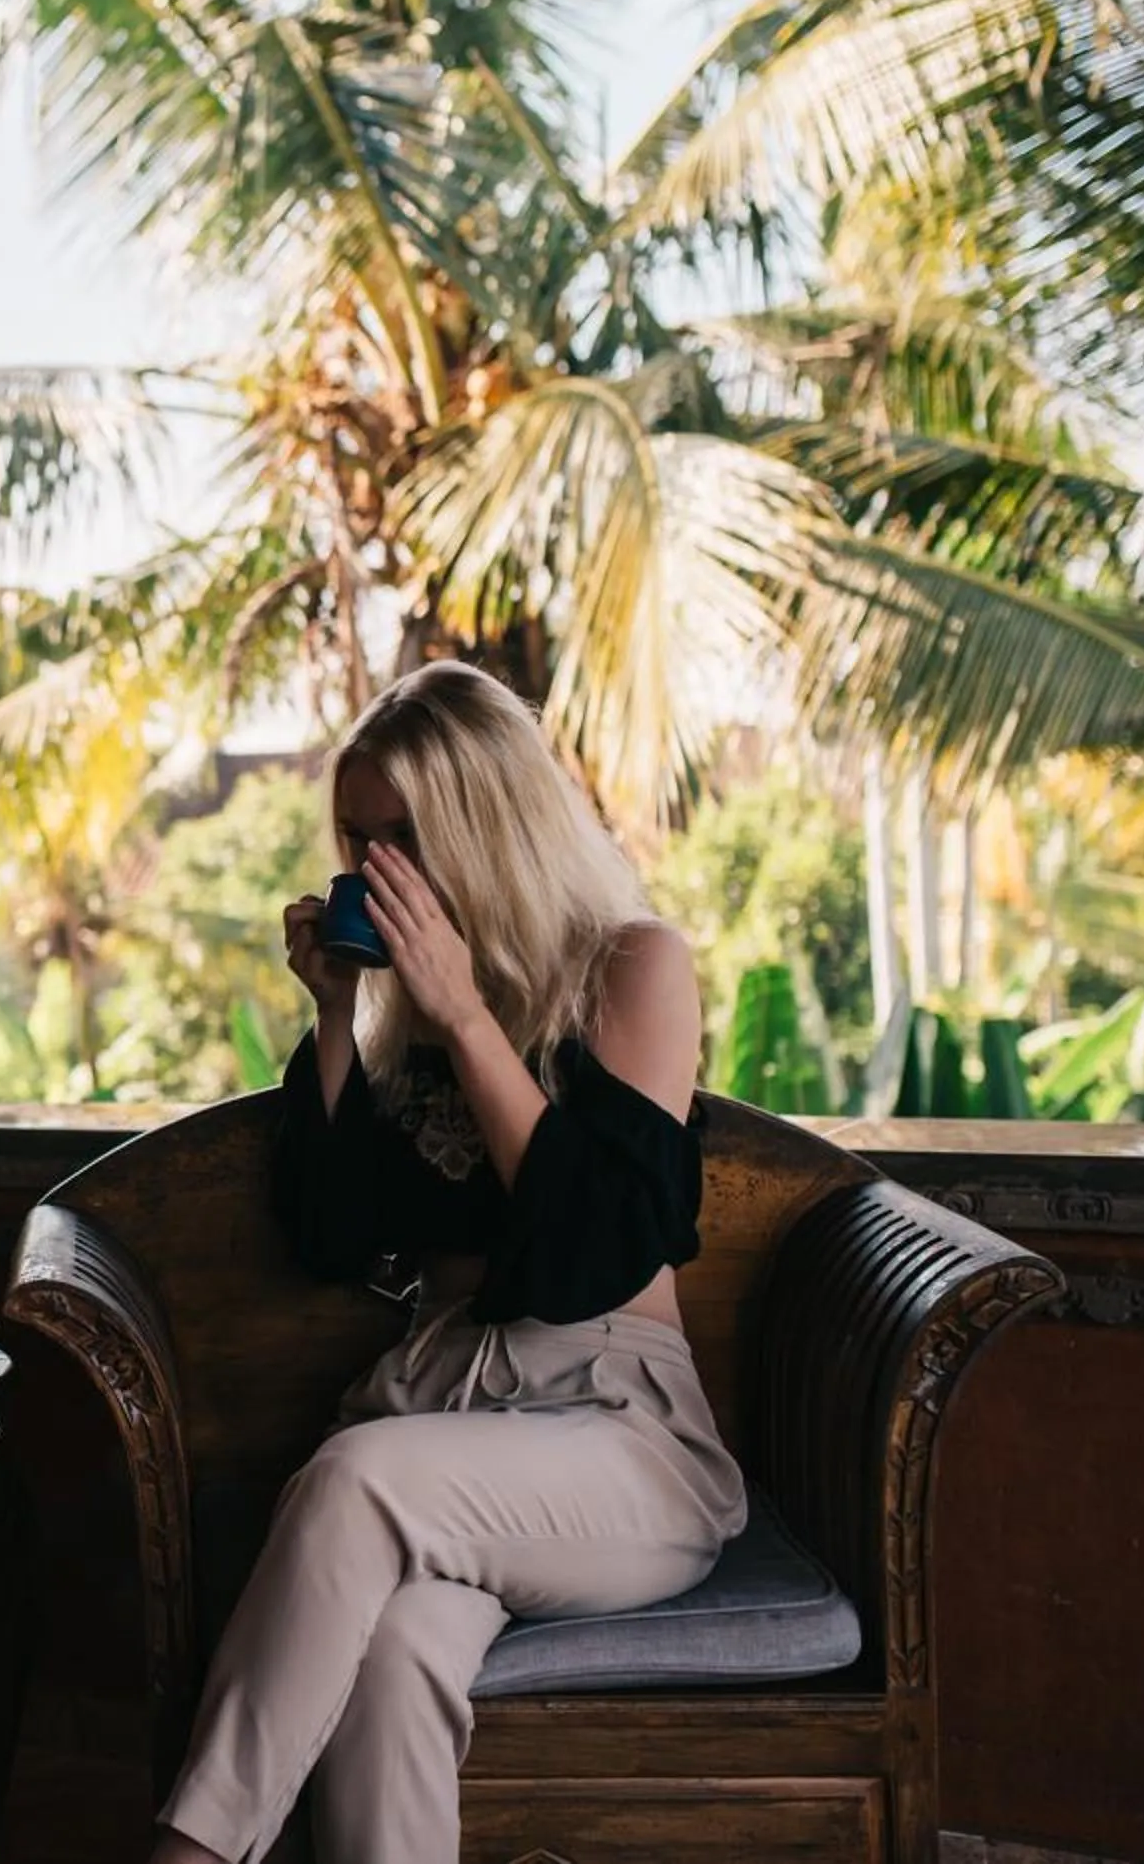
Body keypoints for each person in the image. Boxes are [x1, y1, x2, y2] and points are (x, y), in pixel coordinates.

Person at [153, 661, 746, 1864]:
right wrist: (337, 1010)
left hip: (618, 1440)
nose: (377, 866)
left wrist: (473, 1018)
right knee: (400, 1645)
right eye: (359, 837)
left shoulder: (630, 968)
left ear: (486, 823)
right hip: (451, 1418)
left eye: (406, 835)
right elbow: (327, 1238)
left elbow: (594, 1253)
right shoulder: (407, 1023)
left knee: (354, 1475)